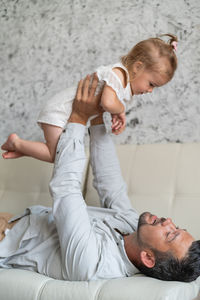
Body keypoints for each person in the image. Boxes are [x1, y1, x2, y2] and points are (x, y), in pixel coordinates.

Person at [0, 75, 200, 282]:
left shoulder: (93, 263)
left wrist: (78, 117)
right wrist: (97, 118)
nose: (168, 222)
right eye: (177, 227)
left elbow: (66, 188)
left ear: (148, 258)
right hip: (14, 219)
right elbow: (110, 184)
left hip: (5, 240)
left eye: (170, 234)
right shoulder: (133, 227)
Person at [1, 33, 178, 162]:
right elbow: (107, 102)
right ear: (138, 67)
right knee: (56, 155)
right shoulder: (118, 74)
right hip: (60, 110)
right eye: (151, 84)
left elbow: (107, 102)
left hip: (66, 113)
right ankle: (17, 142)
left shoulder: (123, 83)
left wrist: (117, 114)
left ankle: (23, 148)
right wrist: (121, 109)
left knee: (55, 154)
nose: (150, 91)